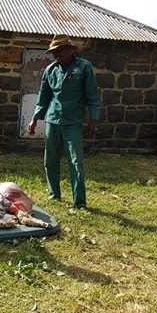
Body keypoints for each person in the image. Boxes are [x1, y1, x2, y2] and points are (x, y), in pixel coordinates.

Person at [27, 35, 99, 209]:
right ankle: (54, 194)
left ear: (69, 50)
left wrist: (93, 120)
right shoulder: (50, 70)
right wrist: (34, 119)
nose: (55, 55)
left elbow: (92, 97)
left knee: (76, 162)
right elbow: (43, 98)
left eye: (59, 51)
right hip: (53, 120)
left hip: (73, 121)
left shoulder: (84, 68)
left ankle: (79, 202)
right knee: (50, 160)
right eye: (53, 52)